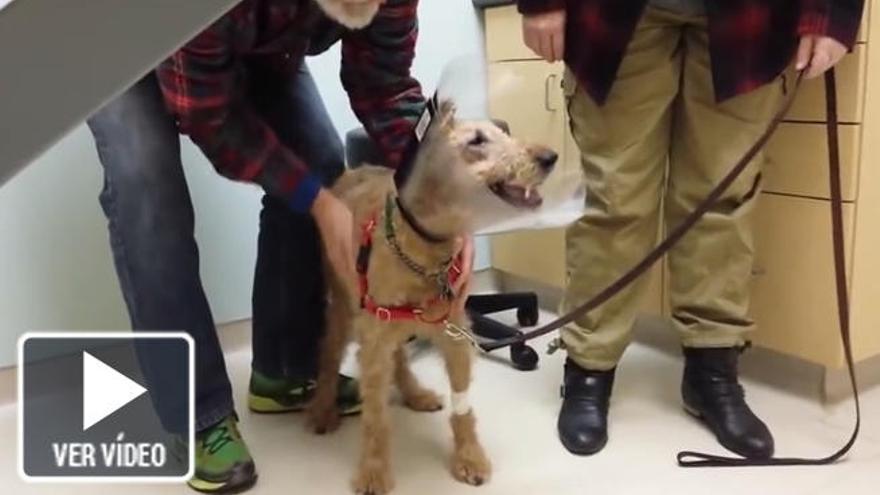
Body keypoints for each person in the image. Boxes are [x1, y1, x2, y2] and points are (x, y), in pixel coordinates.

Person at [87, 0, 427, 492]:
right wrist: (315, 201)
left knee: (321, 163)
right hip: (125, 31)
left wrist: (441, 190)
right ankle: (198, 416)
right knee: (147, 189)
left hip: (246, 37)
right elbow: (209, 117)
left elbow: (386, 85)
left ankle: (285, 369)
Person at [518, 0, 863, 458]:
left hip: (754, 18)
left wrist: (833, 14)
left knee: (721, 199)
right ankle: (588, 369)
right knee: (615, 201)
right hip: (612, 15)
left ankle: (711, 372)